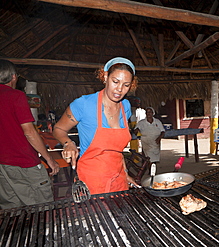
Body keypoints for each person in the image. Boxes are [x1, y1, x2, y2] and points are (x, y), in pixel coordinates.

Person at [53, 57, 139, 195]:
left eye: (126, 85)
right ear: (105, 76)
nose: (119, 89)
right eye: (115, 82)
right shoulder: (84, 104)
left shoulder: (126, 106)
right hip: (91, 181)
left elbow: (117, 150)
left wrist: (125, 173)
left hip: (119, 179)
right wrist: (68, 143)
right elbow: (58, 129)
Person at [0, 59, 60, 209]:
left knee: (11, 210)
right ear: (14, 77)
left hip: (2, 166)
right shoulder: (16, 96)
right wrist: (49, 159)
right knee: (41, 208)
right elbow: (30, 132)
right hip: (24, 163)